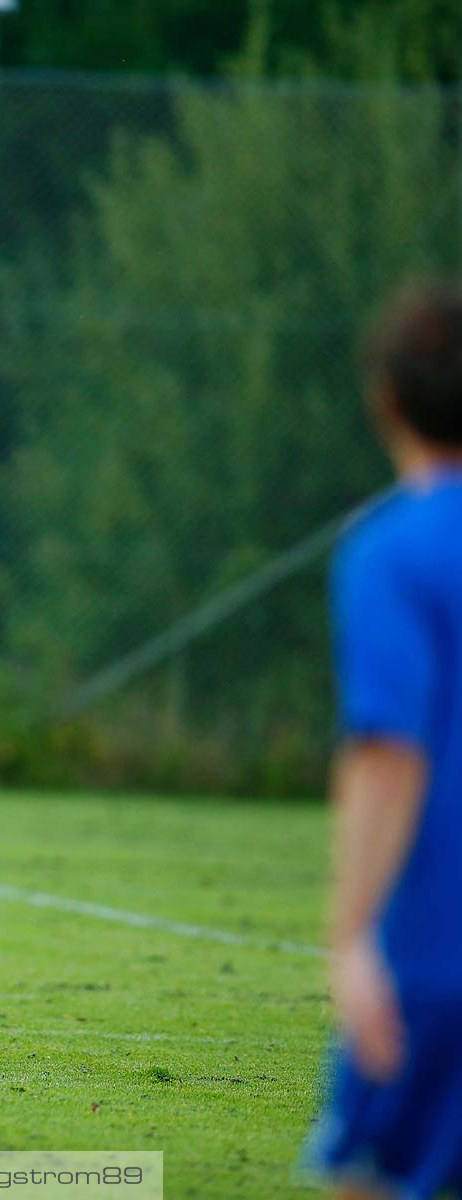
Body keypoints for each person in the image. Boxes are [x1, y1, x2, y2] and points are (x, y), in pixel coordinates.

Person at [306, 282, 462, 1199]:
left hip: (434, 969)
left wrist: (352, 933)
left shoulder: (391, 551)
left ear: (386, 401)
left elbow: (387, 752)